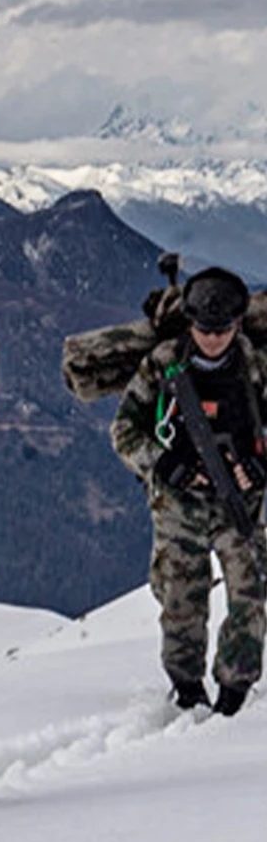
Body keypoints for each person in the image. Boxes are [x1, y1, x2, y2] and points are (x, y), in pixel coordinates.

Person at [111, 265, 267, 715]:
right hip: (179, 505)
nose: (213, 339)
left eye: (222, 330)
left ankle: (235, 691)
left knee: (249, 592)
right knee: (181, 596)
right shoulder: (163, 365)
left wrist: (259, 465)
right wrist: (163, 464)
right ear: (190, 323)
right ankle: (186, 688)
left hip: (241, 504)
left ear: (237, 324)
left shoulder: (255, 367)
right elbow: (124, 430)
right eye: (204, 329)